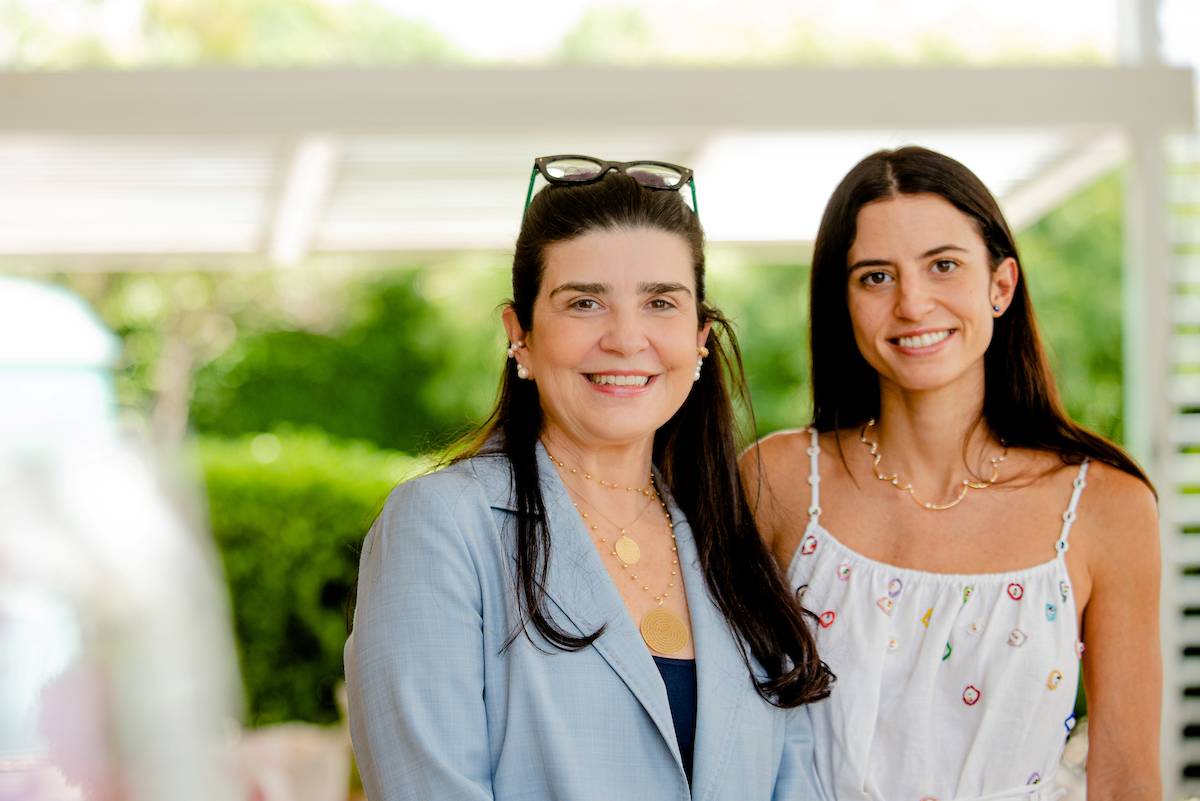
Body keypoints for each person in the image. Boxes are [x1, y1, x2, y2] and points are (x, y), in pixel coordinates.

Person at [345, 156, 832, 801]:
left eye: (661, 302)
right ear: (520, 335)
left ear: (700, 338)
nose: (627, 338)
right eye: (584, 303)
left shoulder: (731, 544)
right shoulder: (441, 526)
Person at [742, 146, 1161, 801]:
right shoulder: (779, 481)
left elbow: (1126, 780)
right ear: (843, 301)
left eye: (943, 265)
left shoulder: (1107, 503)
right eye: (875, 277)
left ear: (1001, 286)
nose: (913, 303)